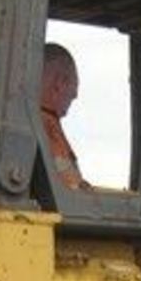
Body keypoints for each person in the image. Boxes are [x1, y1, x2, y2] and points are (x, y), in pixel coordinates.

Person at [40, 43, 87, 191]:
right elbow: (72, 188)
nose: (75, 95)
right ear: (60, 83)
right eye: (74, 84)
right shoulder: (46, 126)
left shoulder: (23, 119)